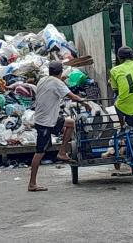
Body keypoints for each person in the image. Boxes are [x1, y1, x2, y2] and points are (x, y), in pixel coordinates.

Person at [28, 61, 89, 192]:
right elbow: (72, 97)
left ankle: (62, 152)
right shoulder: (57, 83)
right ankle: (32, 184)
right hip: (45, 122)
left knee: (71, 123)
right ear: (60, 73)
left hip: (48, 118)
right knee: (39, 153)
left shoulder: (43, 80)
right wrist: (86, 103)